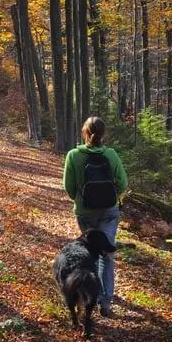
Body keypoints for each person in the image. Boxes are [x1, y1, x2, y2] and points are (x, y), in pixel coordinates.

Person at [62, 116, 128, 317]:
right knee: (107, 255)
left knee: (90, 253)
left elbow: (69, 187)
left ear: (85, 133)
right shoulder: (111, 154)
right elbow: (123, 183)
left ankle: (88, 295)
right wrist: (110, 198)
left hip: (85, 213)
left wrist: (81, 201)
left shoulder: (74, 155)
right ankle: (105, 302)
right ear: (103, 133)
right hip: (109, 210)